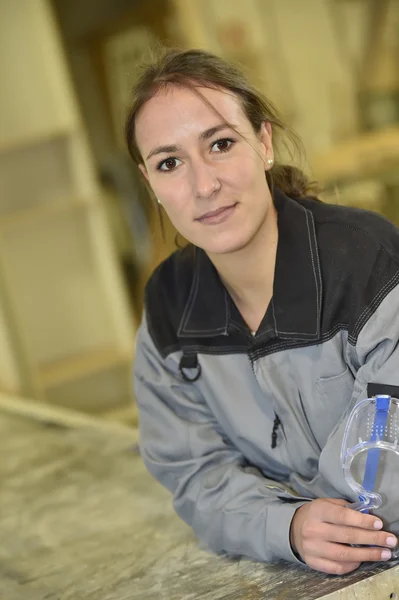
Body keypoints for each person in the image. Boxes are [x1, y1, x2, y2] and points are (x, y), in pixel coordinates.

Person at [125, 47, 399, 575]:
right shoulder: (169, 312)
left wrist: (300, 518)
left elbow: (385, 477)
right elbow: (193, 473)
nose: (204, 186)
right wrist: (287, 528)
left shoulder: (370, 265)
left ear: (264, 142)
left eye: (221, 144)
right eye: (169, 163)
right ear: (150, 184)